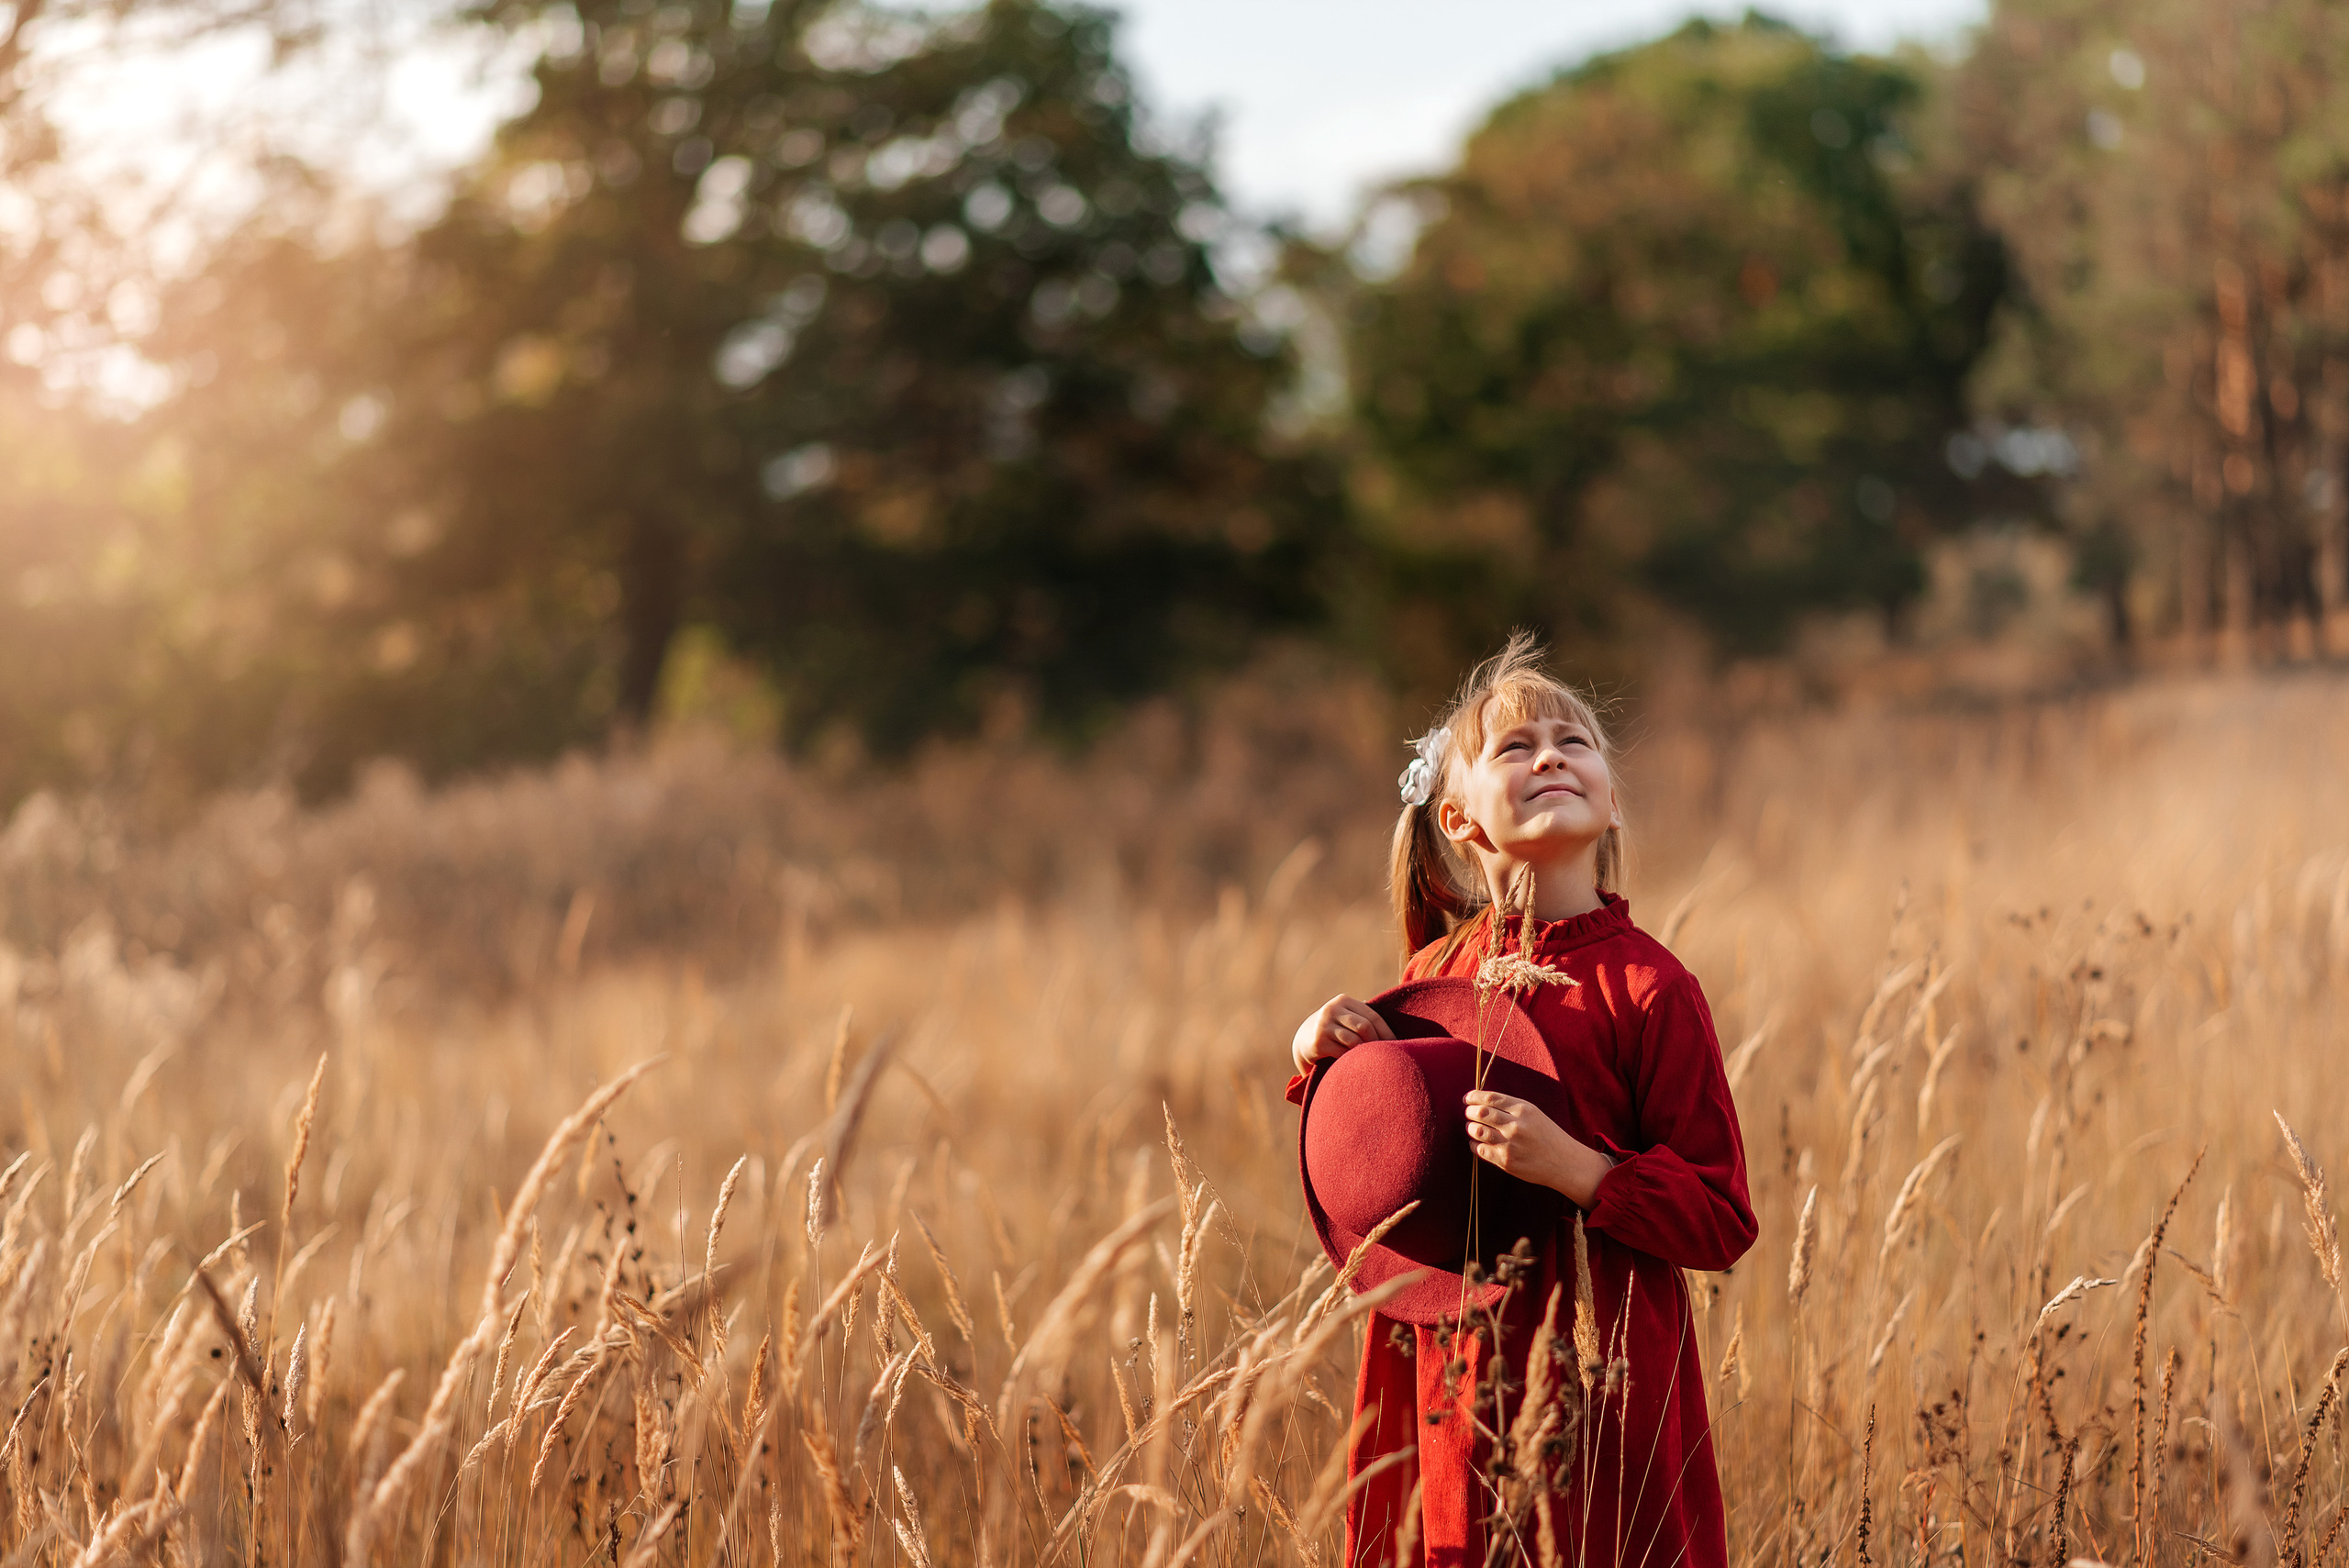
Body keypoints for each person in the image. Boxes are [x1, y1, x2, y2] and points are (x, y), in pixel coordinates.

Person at [1286, 634, 1756, 1568]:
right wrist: (1318, 1057)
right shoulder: (1430, 975)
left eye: (1573, 742)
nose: (1548, 754)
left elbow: (1721, 1216)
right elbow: (1376, 1152)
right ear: (1457, 818)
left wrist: (1580, 1169)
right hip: (1456, 1366)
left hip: (1598, 1366)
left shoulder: (1648, 986)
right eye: (1513, 747)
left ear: (1612, 799)